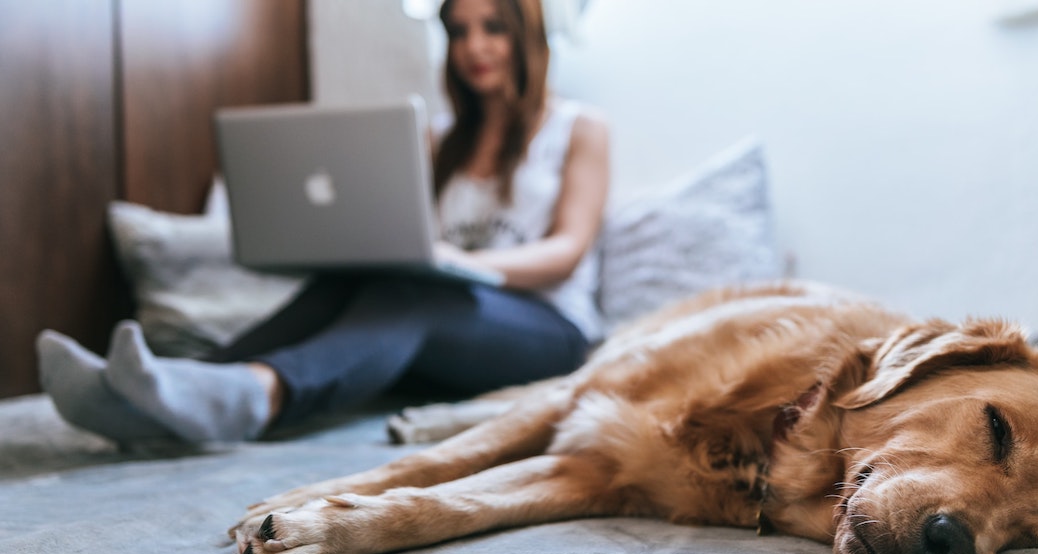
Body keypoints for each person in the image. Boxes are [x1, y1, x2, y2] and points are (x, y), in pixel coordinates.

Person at [36, 0, 610, 444]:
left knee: (413, 294)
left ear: (526, 34)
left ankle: (257, 396)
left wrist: (464, 263)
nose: (474, 46)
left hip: (548, 332)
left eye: (493, 27)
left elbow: (568, 249)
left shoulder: (579, 127)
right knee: (365, 281)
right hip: (444, 325)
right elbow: (409, 232)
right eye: (458, 31)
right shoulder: (437, 139)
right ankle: (165, 390)